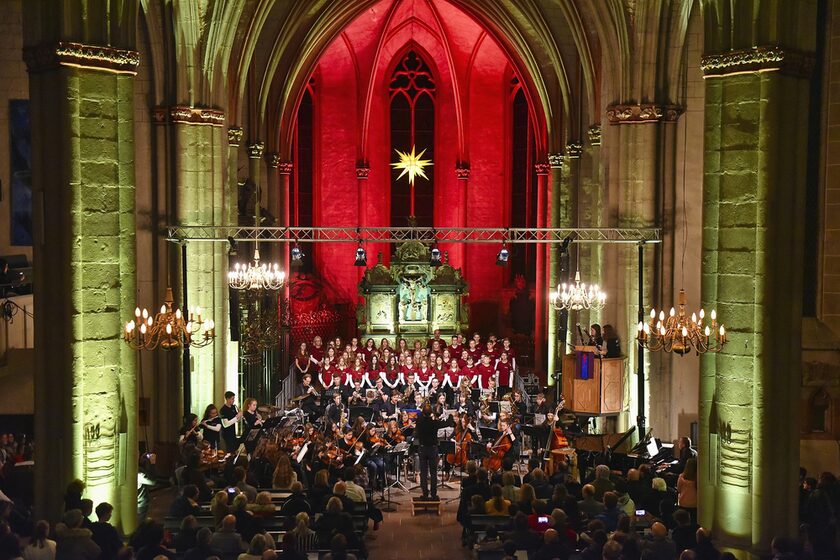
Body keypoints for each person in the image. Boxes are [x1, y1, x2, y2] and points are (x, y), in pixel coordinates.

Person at [414, 403, 451, 500]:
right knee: (433, 473)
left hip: (422, 448)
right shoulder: (434, 422)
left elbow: (419, 422)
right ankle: (434, 494)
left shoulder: (419, 422)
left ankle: (425, 494)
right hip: (432, 449)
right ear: (431, 413)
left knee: (423, 472)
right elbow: (447, 423)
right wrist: (450, 415)